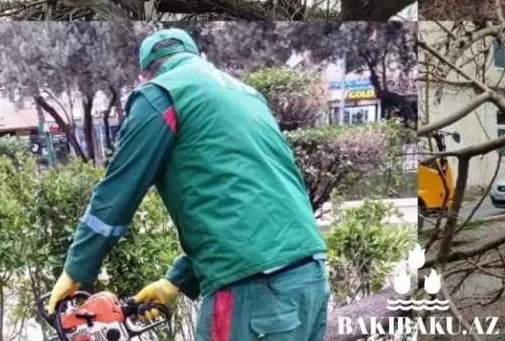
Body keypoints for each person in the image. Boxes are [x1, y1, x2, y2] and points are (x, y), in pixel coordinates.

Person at [46, 29, 329, 341]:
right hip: (309, 279)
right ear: (194, 58)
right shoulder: (246, 95)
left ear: (145, 75)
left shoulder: (160, 94)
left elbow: (117, 193)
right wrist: (175, 282)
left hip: (255, 291)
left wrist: (76, 271)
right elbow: (245, 206)